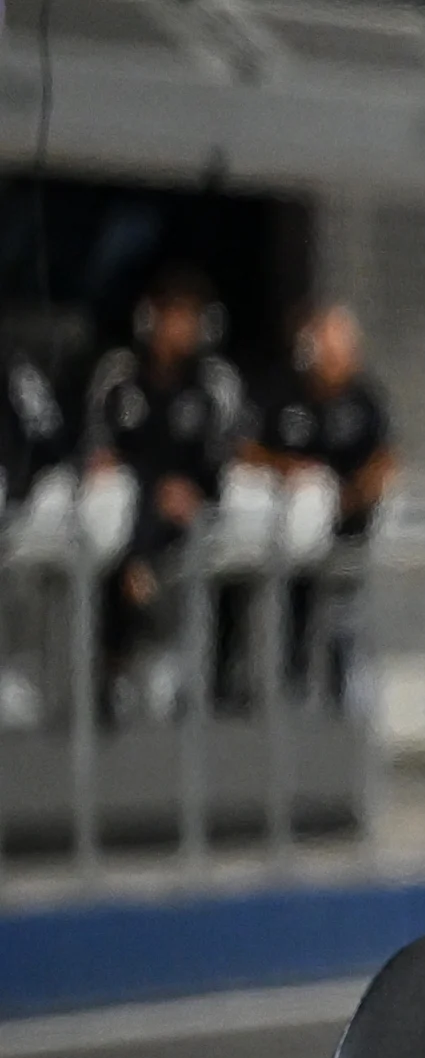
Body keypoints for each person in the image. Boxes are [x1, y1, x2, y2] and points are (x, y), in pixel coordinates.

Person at [84, 268, 248, 722]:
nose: (179, 330)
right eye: (171, 317)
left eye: (188, 319)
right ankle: (110, 670)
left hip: (196, 509)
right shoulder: (119, 375)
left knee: (184, 520)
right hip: (132, 511)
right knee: (119, 516)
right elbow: (99, 448)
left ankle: (214, 673)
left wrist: (196, 492)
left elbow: (230, 455)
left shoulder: (215, 382)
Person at [247, 303, 396, 699]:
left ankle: (341, 679)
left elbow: (385, 457)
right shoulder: (283, 394)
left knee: (343, 609)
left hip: (350, 522)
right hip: (290, 527)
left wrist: (355, 494)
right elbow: (248, 449)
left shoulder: (364, 399)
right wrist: (288, 468)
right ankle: (285, 675)